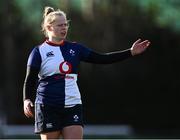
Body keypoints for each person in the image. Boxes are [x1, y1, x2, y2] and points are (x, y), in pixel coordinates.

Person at [23, 6, 150, 140]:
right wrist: (26, 100)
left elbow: (102, 58)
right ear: (49, 28)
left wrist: (130, 52)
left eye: (66, 24)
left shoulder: (75, 48)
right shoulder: (38, 52)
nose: (64, 28)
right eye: (60, 25)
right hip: (48, 106)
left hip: (73, 104)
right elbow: (29, 79)